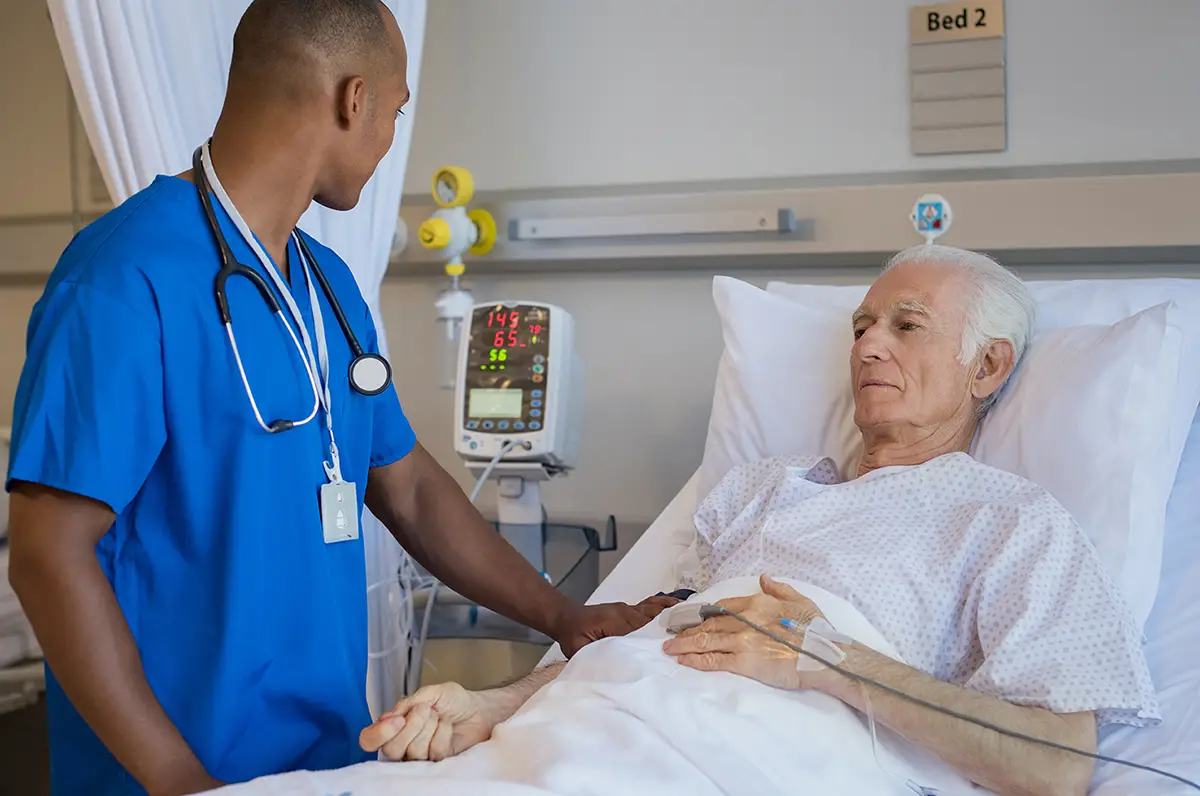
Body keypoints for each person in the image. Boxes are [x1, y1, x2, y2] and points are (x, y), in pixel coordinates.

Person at [4, 2, 646, 794]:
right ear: (353, 99)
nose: (388, 139)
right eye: (394, 111)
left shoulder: (328, 288)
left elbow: (408, 487)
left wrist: (564, 616)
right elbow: (47, 557)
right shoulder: (122, 278)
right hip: (172, 772)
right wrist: (186, 785)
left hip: (325, 761)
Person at [362, 246, 1160, 796]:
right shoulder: (764, 491)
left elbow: (1057, 766)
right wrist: (496, 706)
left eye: (906, 326)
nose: (868, 347)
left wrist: (831, 658)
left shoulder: (1011, 521)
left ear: (987, 365)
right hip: (587, 729)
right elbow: (659, 641)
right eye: (861, 328)